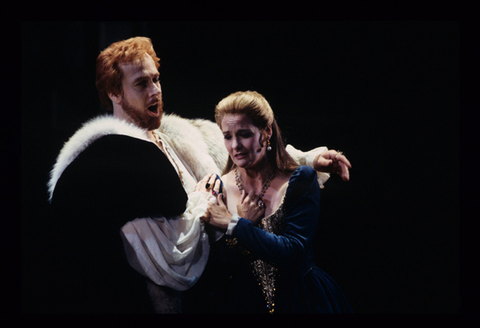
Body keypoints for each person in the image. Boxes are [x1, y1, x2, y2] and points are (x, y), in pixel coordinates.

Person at [43, 37, 352, 313]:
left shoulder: (178, 135)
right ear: (114, 93)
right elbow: (171, 259)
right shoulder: (121, 165)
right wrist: (230, 217)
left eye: (156, 79)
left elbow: (243, 151)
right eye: (141, 84)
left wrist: (307, 159)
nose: (155, 91)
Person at [196, 91, 353, 313]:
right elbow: (218, 270)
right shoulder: (217, 190)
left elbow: (294, 252)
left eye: (244, 134)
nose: (235, 146)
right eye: (228, 136)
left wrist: (234, 224)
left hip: (304, 302)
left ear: (266, 132)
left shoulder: (300, 180)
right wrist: (241, 222)